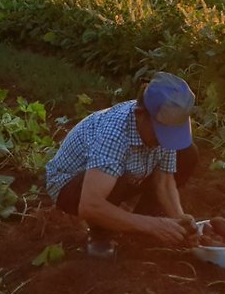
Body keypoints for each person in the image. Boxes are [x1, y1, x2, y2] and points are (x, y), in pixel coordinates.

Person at [45, 72, 199, 258]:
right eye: (162, 133)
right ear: (140, 114)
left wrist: (179, 219)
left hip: (124, 176)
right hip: (72, 187)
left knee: (187, 155)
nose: (165, 140)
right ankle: (99, 234)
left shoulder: (164, 121)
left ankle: (142, 226)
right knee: (117, 177)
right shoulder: (114, 134)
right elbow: (90, 205)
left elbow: (164, 181)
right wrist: (152, 225)